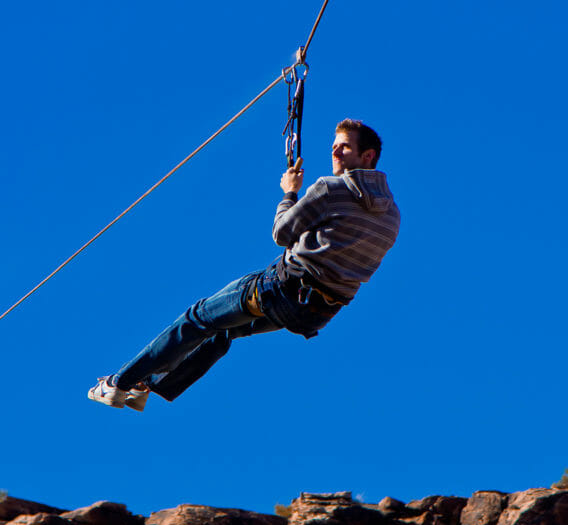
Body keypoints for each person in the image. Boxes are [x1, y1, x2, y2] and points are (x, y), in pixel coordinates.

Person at [88, 118, 400, 410]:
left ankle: (119, 383)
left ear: (368, 156)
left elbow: (281, 233)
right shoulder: (392, 217)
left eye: (344, 145)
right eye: (334, 144)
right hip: (316, 314)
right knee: (224, 331)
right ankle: (147, 386)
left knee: (197, 318)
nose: (334, 149)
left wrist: (290, 192)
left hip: (280, 289)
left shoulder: (331, 189)